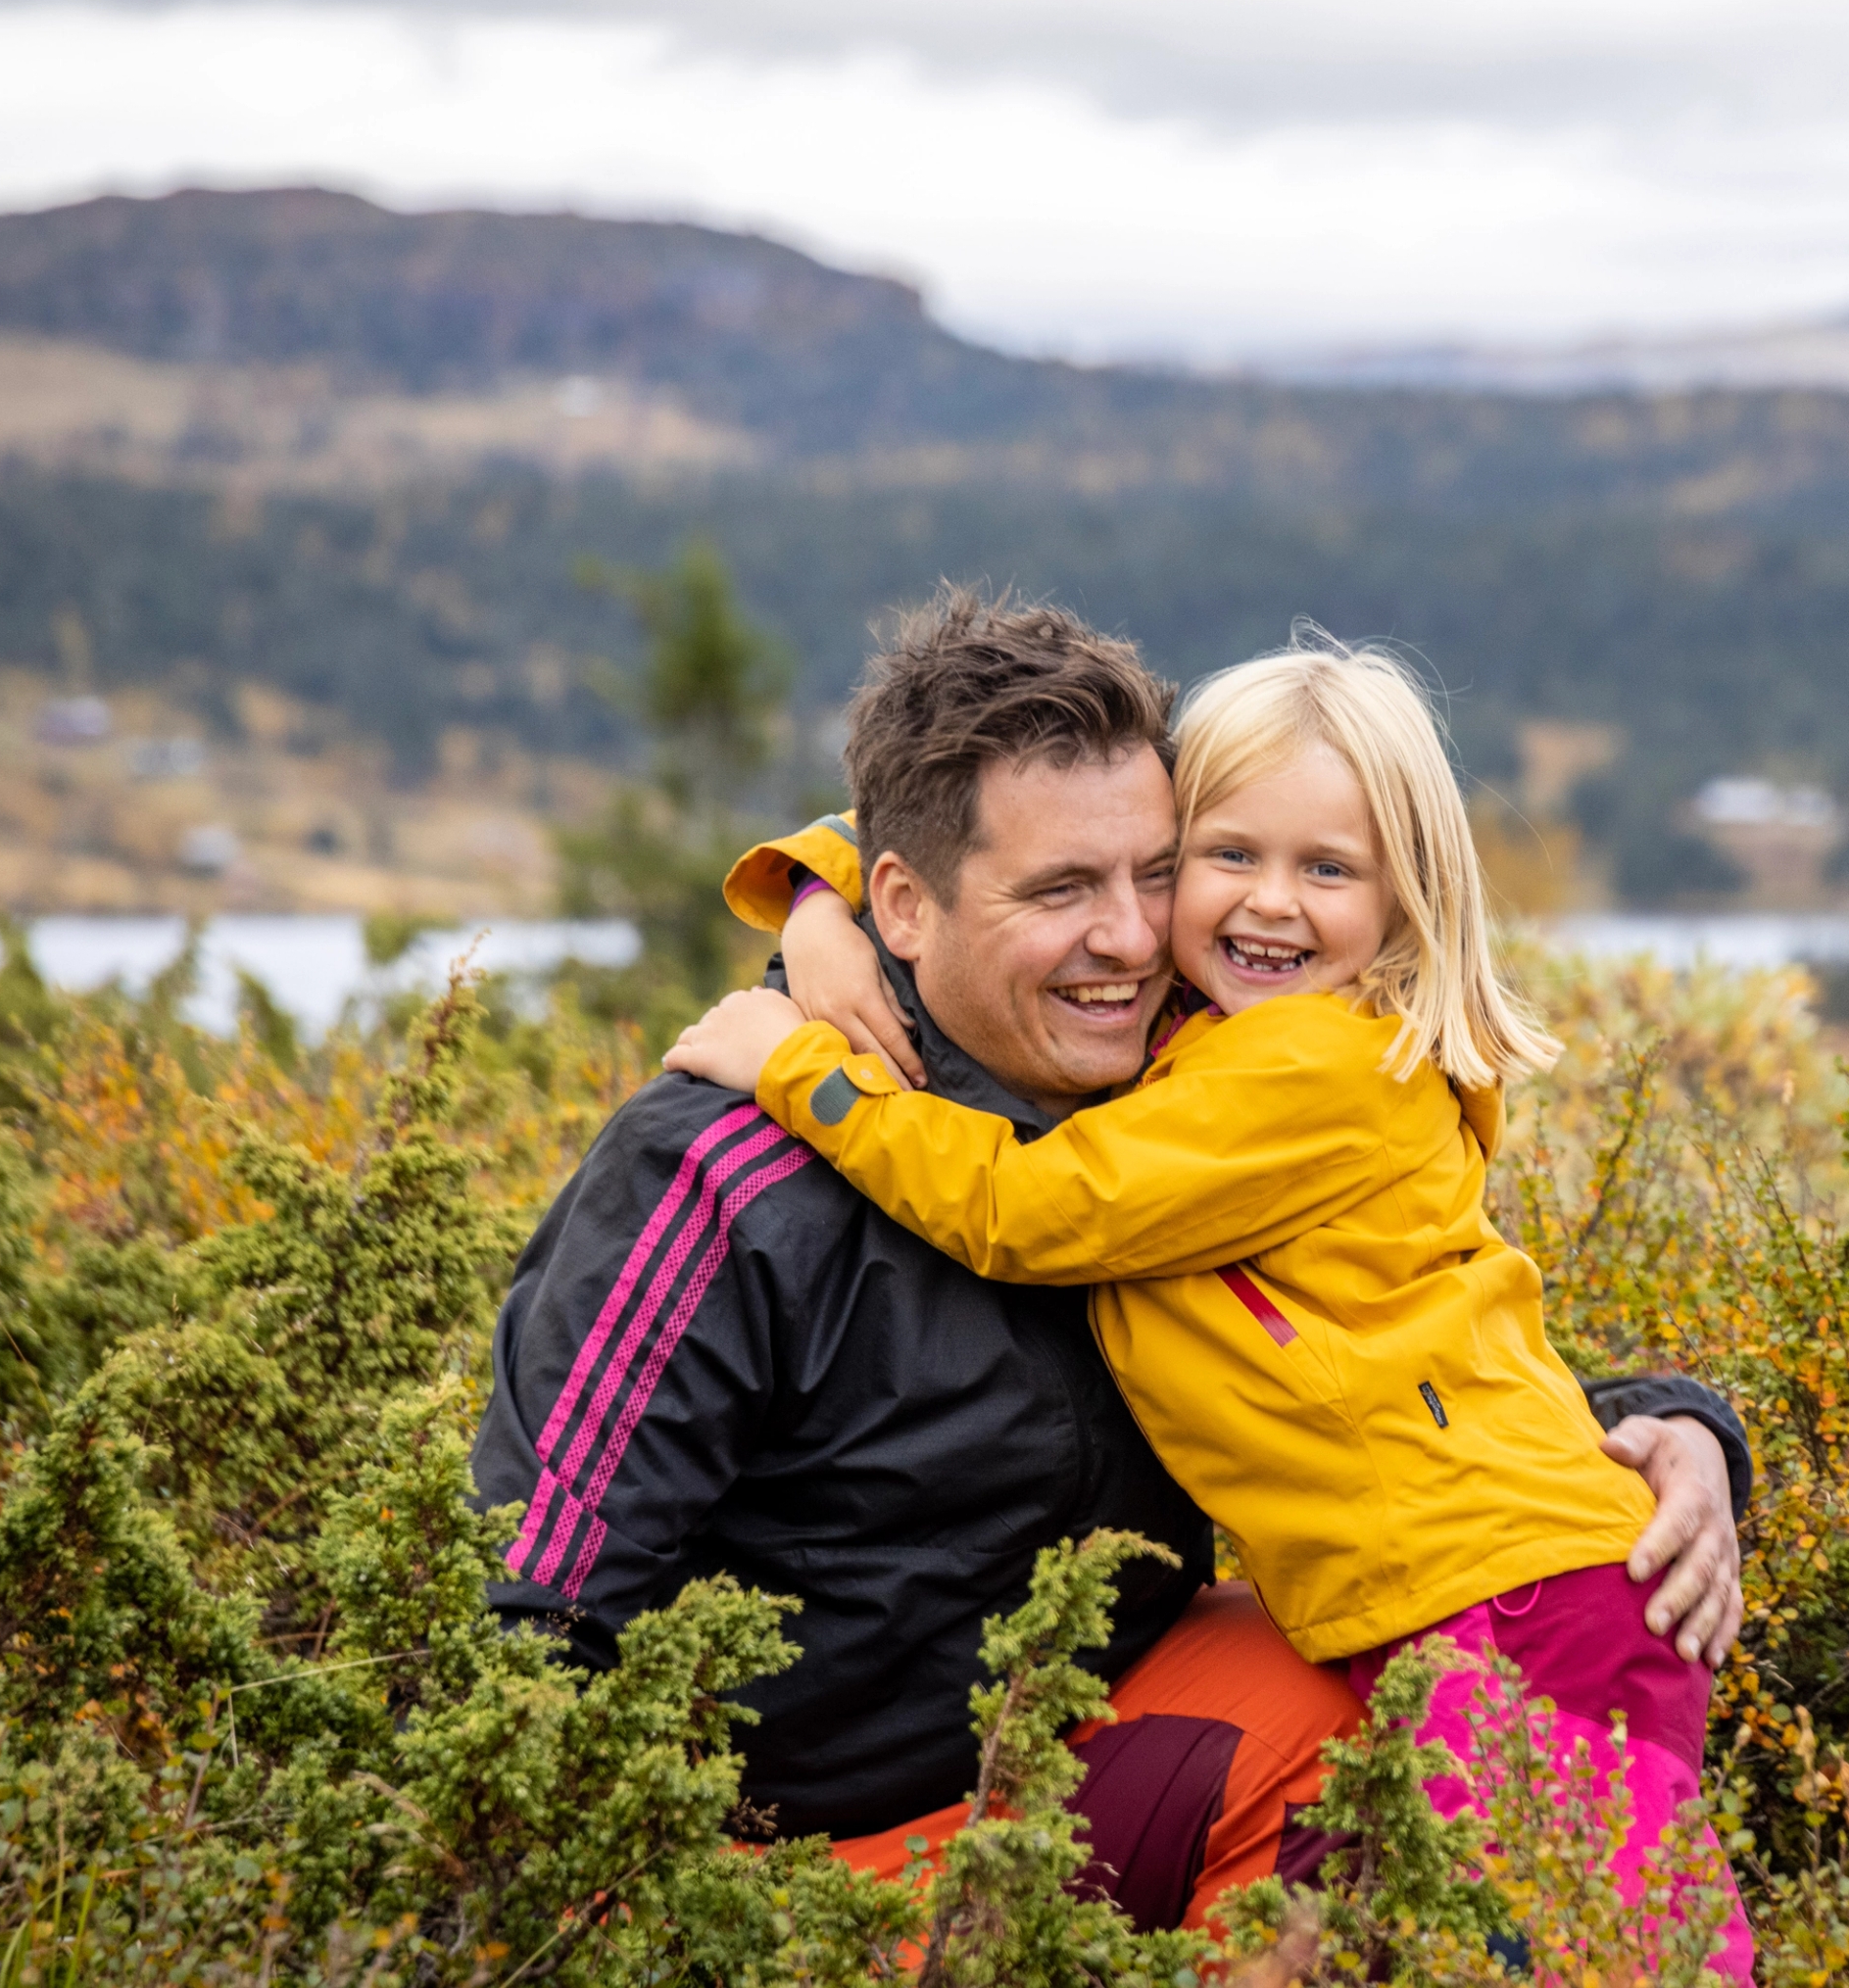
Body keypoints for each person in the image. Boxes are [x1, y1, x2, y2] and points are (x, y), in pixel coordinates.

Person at [477, 593, 1752, 1932]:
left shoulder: (1186, 1077)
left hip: (1090, 1748)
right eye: (1064, 891)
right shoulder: (727, 1178)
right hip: (815, 1854)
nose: (1138, 940)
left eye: (1155, 872)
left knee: (1412, 1746)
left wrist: (1670, 1430)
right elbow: (530, 1603)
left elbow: (1388, 1356)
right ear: (904, 906)